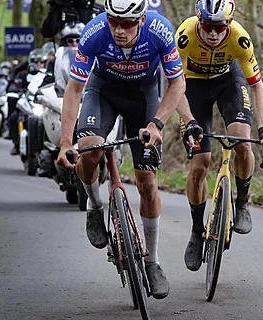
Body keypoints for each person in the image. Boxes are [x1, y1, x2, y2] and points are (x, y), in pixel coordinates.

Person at [55, 0, 196, 300]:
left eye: (127, 23)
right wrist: (66, 143)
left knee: (147, 182)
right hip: (103, 92)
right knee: (89, 149)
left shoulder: (160, 30)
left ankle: (153, 261)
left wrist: (157, 124)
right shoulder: (94, 31)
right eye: (113, 21)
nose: (119, 29)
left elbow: (177, 84)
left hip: (143, 97)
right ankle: (94, 206)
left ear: (142, 19)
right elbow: (74, 89)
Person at [176, 0, 263, 272]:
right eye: (207, 27)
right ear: (198, 21)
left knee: (242, 141)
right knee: (199, 165)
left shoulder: (240, 39)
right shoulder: (184, 37)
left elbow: (257, 87)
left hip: (227, 81)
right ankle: (197, 232)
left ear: (228, 24)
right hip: (192, 86)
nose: (213, 34)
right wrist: (190, 121)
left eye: (219, 28)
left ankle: (242, 202)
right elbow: (176, 86)